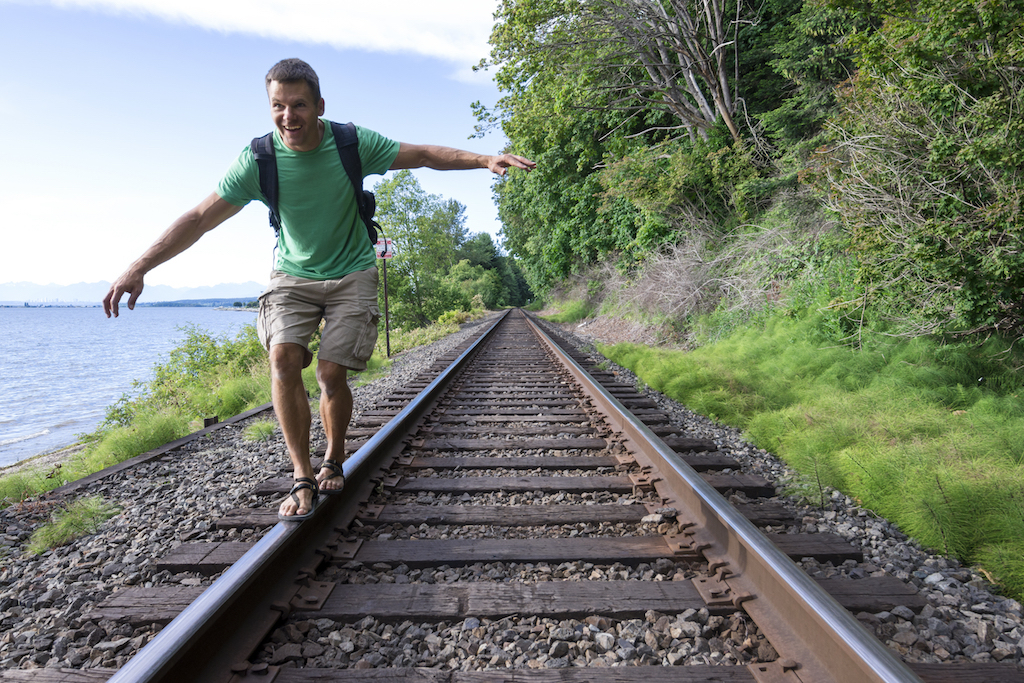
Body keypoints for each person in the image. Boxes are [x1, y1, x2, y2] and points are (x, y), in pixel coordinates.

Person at [103, 58, 535, 521]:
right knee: (283, 359)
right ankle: (302, 473)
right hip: (293, 275)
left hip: (353, 271)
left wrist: (483, 158)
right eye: (278, 106)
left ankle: (333, 455)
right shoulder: (259, 159)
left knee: (331, 372)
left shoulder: (351, 143)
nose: (288, 116)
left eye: (299, 105)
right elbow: (199, 218)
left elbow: (424, 155)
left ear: (319, 105)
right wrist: (140, 265)